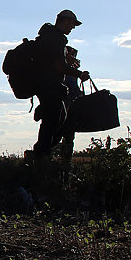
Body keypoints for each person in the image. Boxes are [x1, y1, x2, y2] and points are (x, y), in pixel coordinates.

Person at [30, 10, 90, 158]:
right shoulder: (57, 38)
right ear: (65, 21)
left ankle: (40, 155)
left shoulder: (47, 37)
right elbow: (59, 67)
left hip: (43, 86)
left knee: (54, 121)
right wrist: (79, 74)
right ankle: (40, 157)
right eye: (72, 25)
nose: (72, 28)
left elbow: (55, 63)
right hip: (50, 87)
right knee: (55, 122)